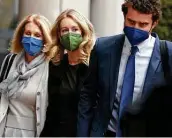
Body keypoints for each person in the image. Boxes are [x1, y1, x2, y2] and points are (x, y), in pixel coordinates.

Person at [77, 0, 172, 137]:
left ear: (154, 24)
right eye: (131, 22)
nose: (136, 28)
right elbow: (88, 95)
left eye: (143, 24)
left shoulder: (167, 53)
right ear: (124, 17)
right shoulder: (103, 48)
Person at [40, 9, 96, 137]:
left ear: (83, 32)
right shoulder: (54, 65)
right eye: (64, 30)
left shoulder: (93, 66)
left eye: (75, 29)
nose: (69, 34)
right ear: (59, 35)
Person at [0, 14, 56, 137]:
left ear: (45, 39)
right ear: (21, 36)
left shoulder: (51, 67)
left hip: (32, 133)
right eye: (28, 33)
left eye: (37, 35)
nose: (31, 38)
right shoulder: (10, 60)